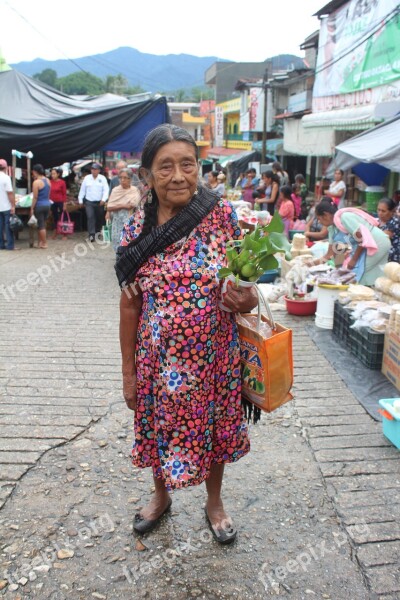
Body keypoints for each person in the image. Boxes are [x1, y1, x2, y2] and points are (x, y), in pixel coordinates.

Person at [115, 124, 257, 543]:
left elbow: (248, 287)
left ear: (199, 168)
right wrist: (128, 372)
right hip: (159, 364)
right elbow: (129, 303)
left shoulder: (222, 216)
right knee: (160, 426)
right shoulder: (135, 230)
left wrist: (243, 300)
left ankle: (214, 502)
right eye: (166, 167)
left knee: (215, 426)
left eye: (187, 164)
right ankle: (161, 496)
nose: (178, 175)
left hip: (217, 357)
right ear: (147, 175)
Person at [309, 199, 391, 285]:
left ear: (325, 215)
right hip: (364, 246)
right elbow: (330, 254)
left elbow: (361, 238)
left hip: (377, 242)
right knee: (360, 274)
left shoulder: (345, 217)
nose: (319, 222)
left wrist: (354, 260)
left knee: (357, 273)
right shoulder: (332, 229)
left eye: (319, 219)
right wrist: (310, 264)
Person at [105, 168, 141, 253]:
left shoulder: (135, 190)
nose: (122, 180)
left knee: (130, 241)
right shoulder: (115, 190)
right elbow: (109, 206)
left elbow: (137, 205)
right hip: (117, 220)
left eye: (125, 178)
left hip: (131, 219)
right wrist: (123, 205)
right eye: (120, 178)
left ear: (130, 179)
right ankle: (119, 258)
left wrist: (131, 206)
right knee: (117, 240)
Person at [78, 163, 109, 242]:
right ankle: (91, 234)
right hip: (89, 202)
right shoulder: (87, 178)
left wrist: (104, 199)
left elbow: (106, 190)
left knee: (99, 218)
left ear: (98, 170)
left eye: (95, 169)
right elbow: (82, 190)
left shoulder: (102, 178)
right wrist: (80, 200)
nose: (93, 171)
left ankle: (98, 232)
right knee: (90, 217)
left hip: (99, 202)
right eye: (92, 169)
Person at [30, 164, 51, 249]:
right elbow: (48, 194)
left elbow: (35, 197)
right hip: (47, 204)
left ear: (35, 172)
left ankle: (44, 243)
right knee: (42, 224)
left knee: (41, 225)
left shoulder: (36, 182)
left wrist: (32, 208)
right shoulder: (48, 180)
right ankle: (40, 242)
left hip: (39, 205)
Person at [0, 159, 17, 251]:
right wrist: (13, 205)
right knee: (8, 226)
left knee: (0, 226)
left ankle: (1, 245)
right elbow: (10, 193)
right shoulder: (6, 178)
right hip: (6, 206)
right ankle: (10, 246)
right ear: (6, 167)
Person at [377, 198, 400, 263]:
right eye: (378, 210)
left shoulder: (394, 222)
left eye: (383, 211)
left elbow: (381, 238)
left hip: (393, 259)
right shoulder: (378, 221)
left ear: (391, 211)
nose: (380, 213)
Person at [50, 167, 67, 240]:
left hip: (60, 201)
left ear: (58, 174)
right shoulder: (50, 182)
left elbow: (64, 193)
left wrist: (65, 204)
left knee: (63, 217)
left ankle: (65, 233)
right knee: (55, 217)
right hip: (52, 202)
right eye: (52, 174)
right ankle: (55, 231)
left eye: (54, 174)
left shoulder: (62, 182)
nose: (52, 175)